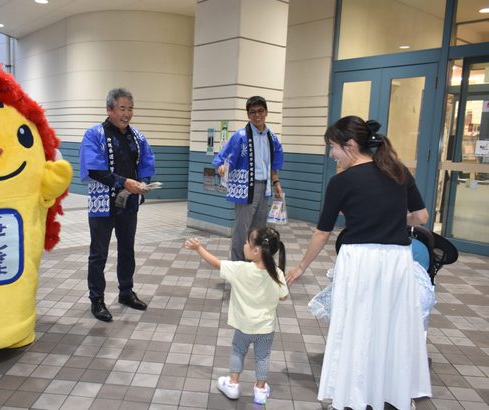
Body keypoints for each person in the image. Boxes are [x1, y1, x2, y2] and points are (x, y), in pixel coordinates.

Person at [285, 116, 431, 410]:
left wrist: (301, 266)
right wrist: (392, 218)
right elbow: (421, 217)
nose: (331, 155)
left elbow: (322, 232)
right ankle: (391, 390)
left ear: (350, 145)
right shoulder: (398, 171)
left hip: (359, 260)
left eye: (333, 147)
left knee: (356, 326)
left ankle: (354, 392)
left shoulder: (341, 182)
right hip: (396, 261)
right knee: (391, 325)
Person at [184, 226, 288, 405]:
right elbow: (283, 296)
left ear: (256, 250)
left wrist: (198, 248)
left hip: (243, 327)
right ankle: (261, 390)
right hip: (266, 328)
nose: (244, 245)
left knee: (238, 351)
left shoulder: (241, 269)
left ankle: (233, 385)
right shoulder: (276, 273)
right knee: (263, 357)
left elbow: (216, 263)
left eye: (247, 242)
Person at [79, 88, 156, 322]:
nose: (127, 113)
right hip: (103, 203)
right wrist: (124, 182)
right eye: (122, 108)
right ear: (109, 109)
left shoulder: (138, 137)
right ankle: (97, 300)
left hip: (129, 203)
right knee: (98, 253)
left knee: (127, 250)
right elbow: (94, 170)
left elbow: (147, 163)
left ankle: (126, 292)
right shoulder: (94, 134)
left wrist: (143, 183)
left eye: (130, 108)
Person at [213, 96, 285, 261]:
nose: (257, 115)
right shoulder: (240, 136)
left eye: (260, 111)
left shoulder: (272, 138)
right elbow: (224, 158)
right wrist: (222, 167)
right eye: (252, 112)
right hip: (245, 188)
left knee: (259, 230)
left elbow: (274, 165)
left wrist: (276, 183)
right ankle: (238, 265)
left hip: (264, 188)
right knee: (242, 229)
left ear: (266, 112)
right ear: (248, 115)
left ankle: (254, 264)